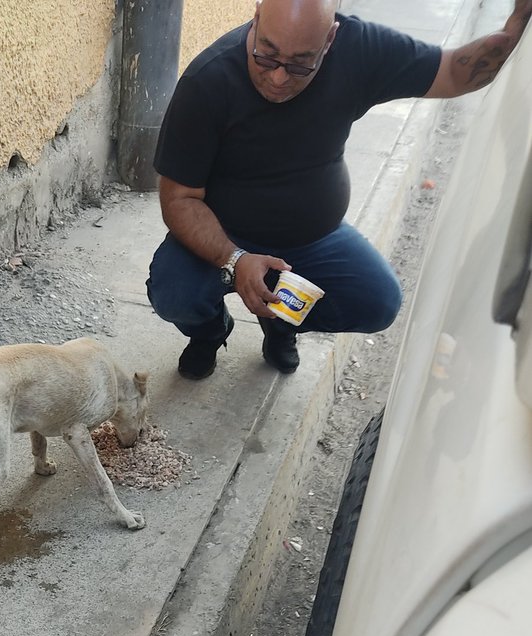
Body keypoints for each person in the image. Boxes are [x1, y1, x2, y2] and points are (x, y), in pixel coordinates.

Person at [147, 0, 531, 380]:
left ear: (330, 39)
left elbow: (452, 72)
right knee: (173, 294)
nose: (279, 77)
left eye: (300, 63)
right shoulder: (208, 82)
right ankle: (210, 331)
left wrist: (516, 26)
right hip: (224, 235)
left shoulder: (359, 51)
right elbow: (179, 200)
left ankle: (283, 322)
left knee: (378, 303)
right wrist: (235, 259)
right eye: (267, 56)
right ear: (257, 19)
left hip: (313, 238)